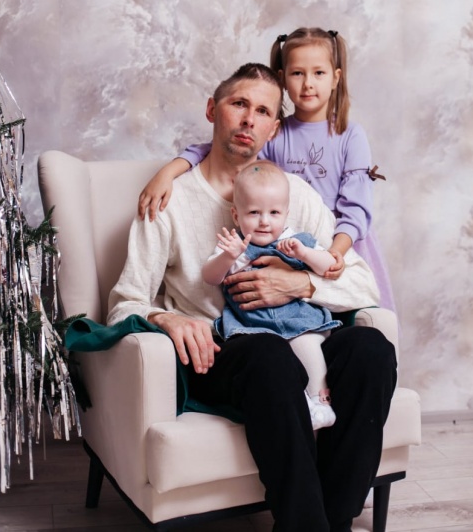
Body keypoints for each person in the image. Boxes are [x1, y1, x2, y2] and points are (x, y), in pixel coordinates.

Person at [108, 62, 397, 532]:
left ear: (273, 128)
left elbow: (363, 284)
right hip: (226, 352)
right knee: (267, 356)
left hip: (302, 337)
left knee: (372, 350)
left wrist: (300, 284)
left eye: (263, 111)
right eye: (238, 104)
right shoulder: (169, 199)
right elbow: (125, 301)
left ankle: (330, 520)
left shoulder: (295, 194)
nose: (248, 119)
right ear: (212, 109)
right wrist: (166, 319)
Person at [138, 28, 396, 311]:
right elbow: (227, 150)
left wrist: (334, 253)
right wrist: (170, 171)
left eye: (318, 73)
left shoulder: (349, 134)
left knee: (362, 314)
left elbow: (356, 207)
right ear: (283, 78)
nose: (308, 84)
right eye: (298, 73)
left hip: (341, 239)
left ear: (335, 78)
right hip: (283, 237)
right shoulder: (275, 134)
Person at [203, 160, 346, 429]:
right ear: (236, 215)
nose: (264, 221)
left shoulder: (296, 240)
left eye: (274, 212)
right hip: (253, 328)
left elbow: (328, 266)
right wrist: (228, 257)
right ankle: (302, 403)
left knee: (307, 346)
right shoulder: (235, 247)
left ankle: (320, 400)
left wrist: (304, 254)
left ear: (286, 214)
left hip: (298, 321)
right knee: (273, 364)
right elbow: (210, 277)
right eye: (254, 212)